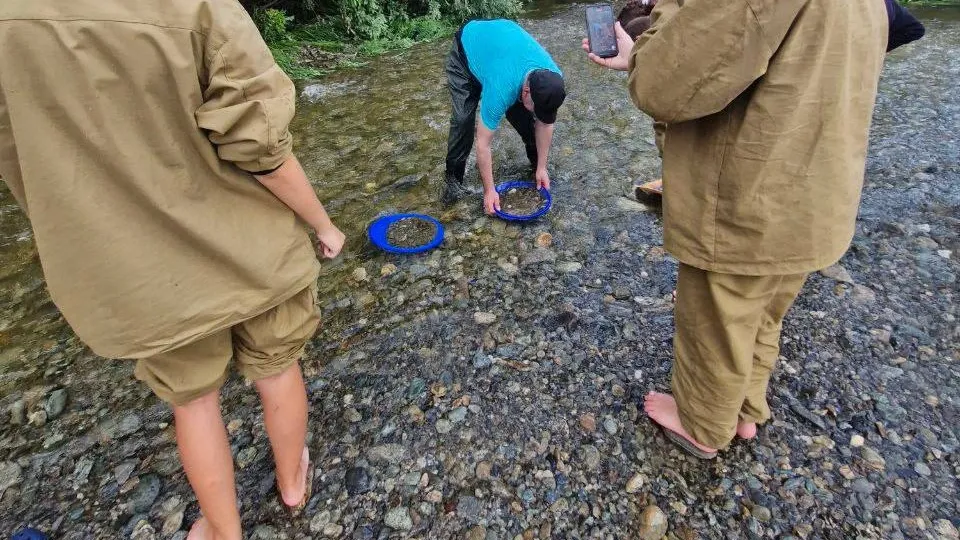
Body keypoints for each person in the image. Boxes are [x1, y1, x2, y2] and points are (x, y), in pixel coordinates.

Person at [0, 0, 345, 537]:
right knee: (278, 366)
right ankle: (292, 483)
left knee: (193, 401)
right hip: (254, 249)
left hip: (140, 271)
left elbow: (25, 158)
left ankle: (221, 527)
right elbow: (261, 148)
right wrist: (323, 225)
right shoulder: (202, 6)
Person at [584, 0, 888, 458]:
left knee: (716, 314)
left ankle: (703, 424)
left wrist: (649, 42)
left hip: (748, 196)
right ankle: (744, 410)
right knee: (762, 309)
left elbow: (665, 84)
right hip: (812, 194)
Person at [443, 19, 567, 214]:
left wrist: (542, 167)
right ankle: (452, 183)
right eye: (537, 108)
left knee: (530, 125)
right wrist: (489, 190)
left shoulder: (553, 80)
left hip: (501, 49)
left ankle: (536, 172)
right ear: (526, 92)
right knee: (462, 122)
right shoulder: (502, 88)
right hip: (466, 53)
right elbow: (483, 144)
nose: (539, 114)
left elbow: (545, 124)